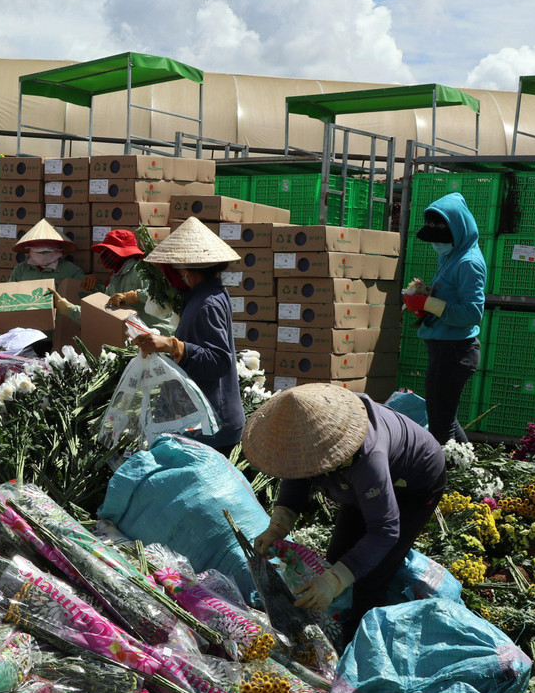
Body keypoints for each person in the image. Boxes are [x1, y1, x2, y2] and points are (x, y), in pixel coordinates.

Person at [243, 384, 446, 644]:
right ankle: (330, 632)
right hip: (358, 484)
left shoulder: (367, 458)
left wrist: (337, 579)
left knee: (371, 576)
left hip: (414, 484)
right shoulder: (308, 437)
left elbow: (385, 530)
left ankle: (359, 650)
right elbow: (298, 474)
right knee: (337, 558)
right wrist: (278, 526)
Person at [130, 217, 244, 454]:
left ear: (185, 270)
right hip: (206, 420)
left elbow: (219, 361)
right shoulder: (206, 295)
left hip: (214, 425)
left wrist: (173, 345)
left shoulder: (207, 303)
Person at [403, 192, 487, 445]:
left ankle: (445, 480)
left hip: (455, 351)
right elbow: (450, 299)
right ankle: (471, 471)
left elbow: (472, 312)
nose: (436, 244)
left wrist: (429, 303)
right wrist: (424, 297)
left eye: (441, 239)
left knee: (441, 426)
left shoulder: (468, 263)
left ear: (459, 231)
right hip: (444, 348)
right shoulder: (450, 255)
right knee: (443, 417)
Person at [9, 219, 86, 284]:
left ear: (58, 249)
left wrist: (90, 279)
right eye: (39, 252)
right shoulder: (20, 270)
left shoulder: (71, 270)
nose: (42, 255)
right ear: (29, 250)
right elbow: (10, 293)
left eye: (46, 252)